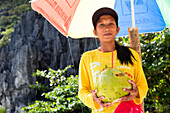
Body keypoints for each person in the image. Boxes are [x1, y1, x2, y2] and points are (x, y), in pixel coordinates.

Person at [78, 7, 148, 113]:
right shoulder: (87, 58)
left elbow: (143, 85)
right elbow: (82, 91)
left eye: (111, 24)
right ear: (95, 31)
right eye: (101, 25)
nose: (107, 28)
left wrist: (136, 92)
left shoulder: (131, 55)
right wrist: (93, 99)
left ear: (117, 29)